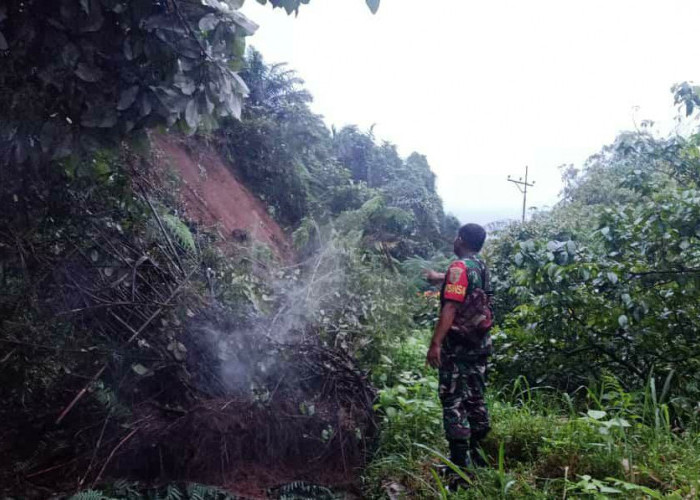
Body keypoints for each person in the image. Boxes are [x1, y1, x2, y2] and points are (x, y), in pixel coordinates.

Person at [424, 223, 493, 471]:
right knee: (475, 396)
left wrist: (435, 344)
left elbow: (450, 308)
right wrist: (438, 277)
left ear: (461, 240)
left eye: (456, 237)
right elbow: (468, 283)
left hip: (458, 347)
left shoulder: (458, 267)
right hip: (480, 344)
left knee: (452, 399)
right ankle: (477, 457)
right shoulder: (481, 267)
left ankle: (458, 466)